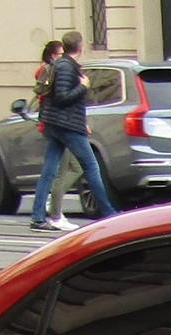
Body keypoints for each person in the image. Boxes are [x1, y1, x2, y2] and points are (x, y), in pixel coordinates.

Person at [29, 29, 116, 234]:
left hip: (55, 124)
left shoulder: (60, 65)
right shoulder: (67, 67)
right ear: (80, 47)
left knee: (49, 171)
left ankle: (38, 217)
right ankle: (108, 213)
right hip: (67, 125)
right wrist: (83, 87)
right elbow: (62, 97)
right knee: (91, 167)